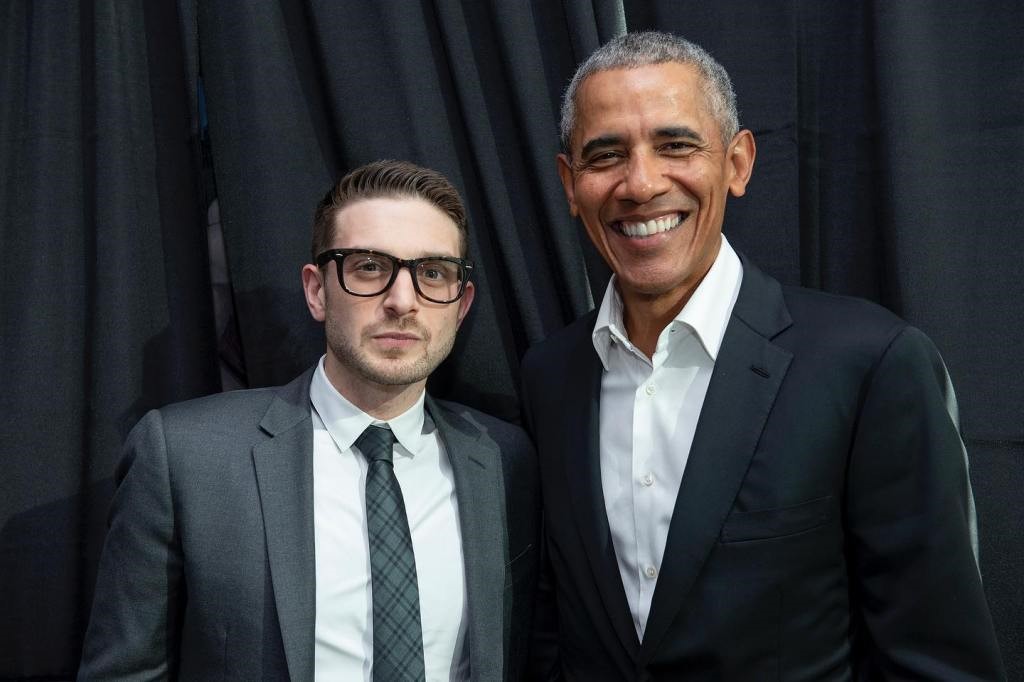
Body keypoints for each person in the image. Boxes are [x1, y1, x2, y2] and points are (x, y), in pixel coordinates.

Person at [522, 31, 1004, 680]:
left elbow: (938, 661)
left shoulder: (868, 363)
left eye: (676, 145)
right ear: (570, 183)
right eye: (606, 155)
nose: (640, 183)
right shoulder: (550, 377)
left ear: (737, 163)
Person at [79, 160, 539, 681]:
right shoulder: (186, 457)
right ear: (317, 291)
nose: (402, 301)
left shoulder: (505, 460)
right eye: (369, 267)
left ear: (461, 304)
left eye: (433, 273)